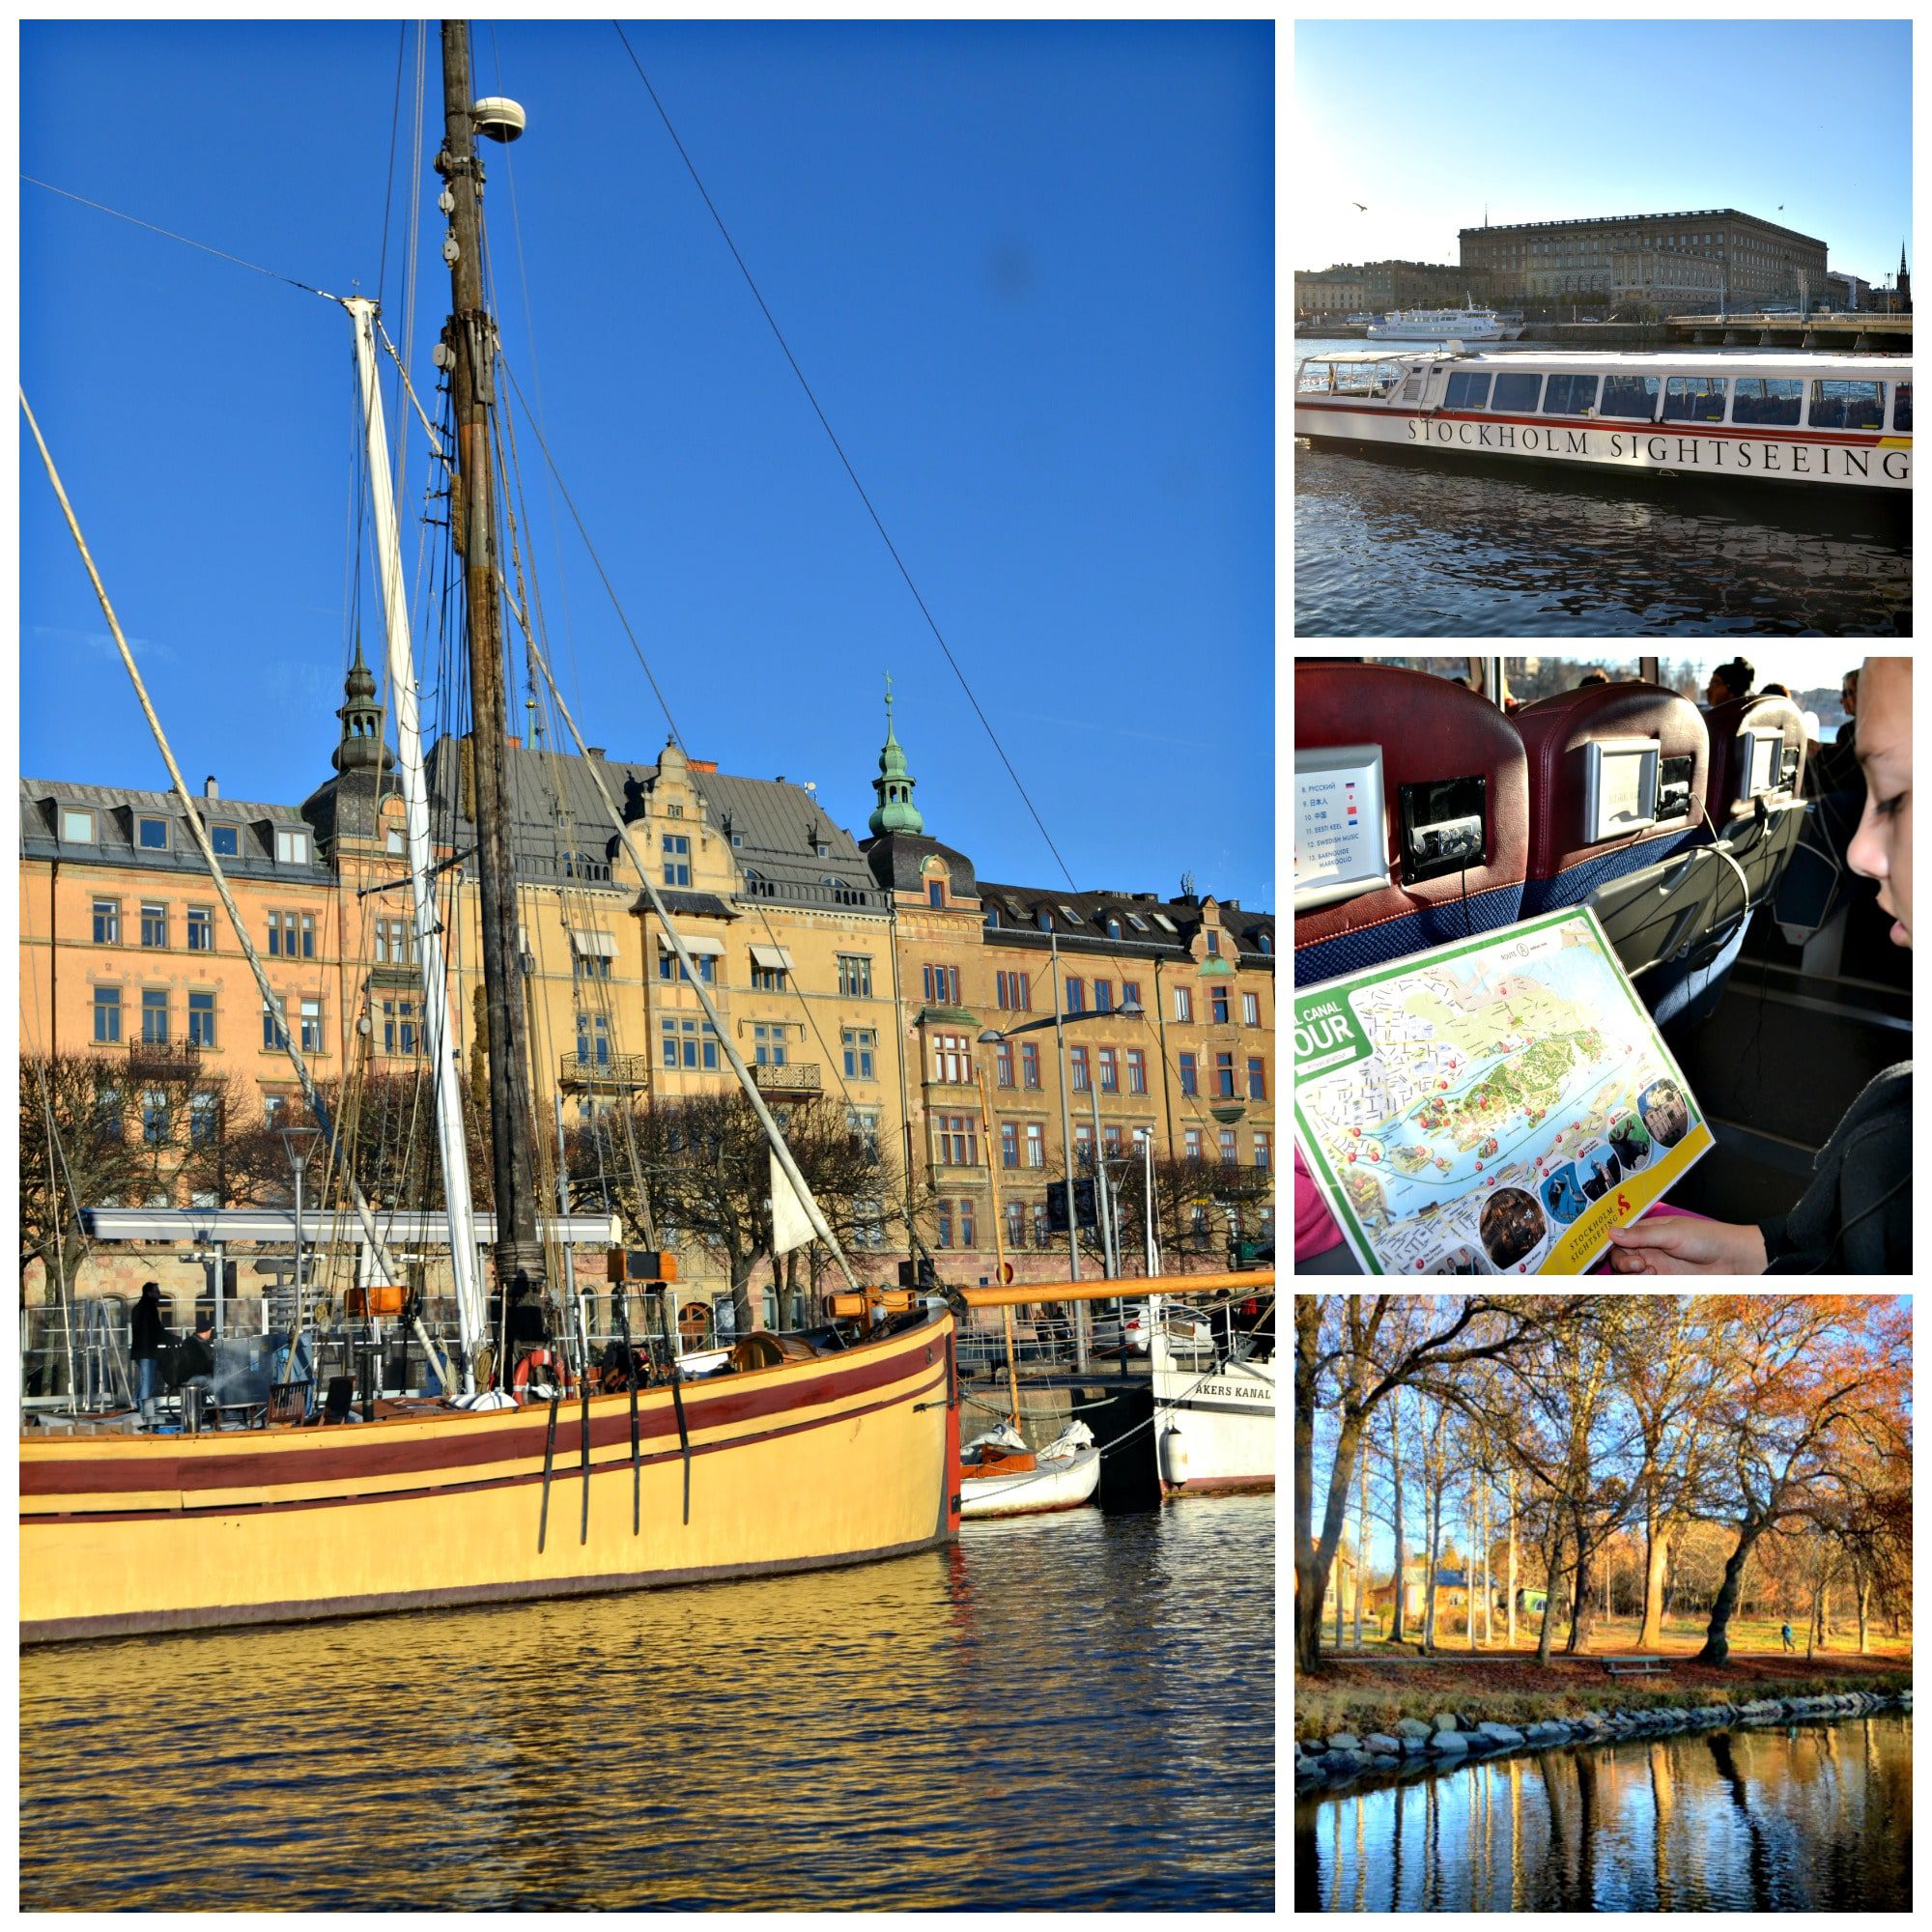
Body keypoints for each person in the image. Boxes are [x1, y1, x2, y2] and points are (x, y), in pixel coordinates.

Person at [1608, 656, 1911, 1274]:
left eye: (1899, 798)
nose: (1856, 851)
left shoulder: (1894, 1126)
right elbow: (1840, 1252)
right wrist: (1750, 1253)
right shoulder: (1897, 1100)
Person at [129, 1281, 168, 1425]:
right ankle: (142, 1412)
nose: (159, 1294)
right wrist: (169, 1338)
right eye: (156, 1292)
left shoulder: (140, 1307)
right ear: (149, 1293)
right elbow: (155, 1329)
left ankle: (138, 1407)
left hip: (144, 1350)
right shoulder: (148, 1308)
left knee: (147, 1382)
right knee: (147, 1382)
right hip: (146, 1351)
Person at [178, 1313, 217, 1425]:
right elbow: (198, 1365)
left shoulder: (196, 1342)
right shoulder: (194, 1344)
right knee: (220, 1385)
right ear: (208, 1330)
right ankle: (216, 1413)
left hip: (197, 1375)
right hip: (193, 1378)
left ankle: (212, 1413)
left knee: (218, 1381)